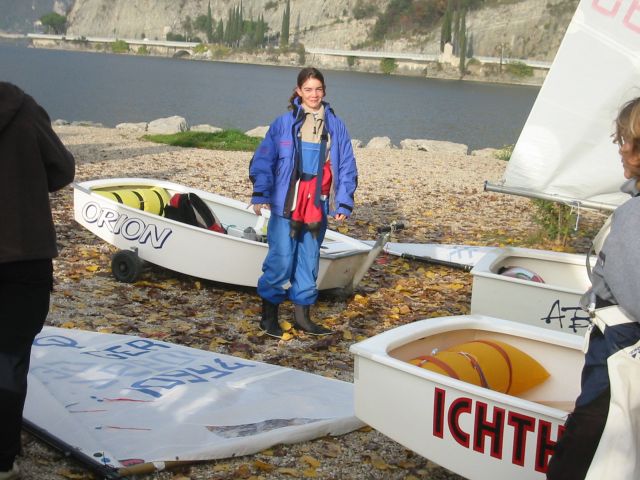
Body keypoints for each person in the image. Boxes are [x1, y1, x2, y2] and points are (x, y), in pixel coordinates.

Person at [546, 97, 640, 479]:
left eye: (625, 141)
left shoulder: (634, 216)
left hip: (619, 357)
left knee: (577, 460)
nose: (620, 149)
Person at [0, 82, 75, 480]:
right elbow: (62, 170)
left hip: (24, 255)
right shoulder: (23, 108)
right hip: (25, 253)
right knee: (9, 358)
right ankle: (2, 458)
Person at [249, 67, 358, 338]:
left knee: (309, 260)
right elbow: (264, 160)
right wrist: (261, 194)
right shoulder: (283, 124)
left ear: (324, 91)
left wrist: (343, 202)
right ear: (299, 91)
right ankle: (268, 318)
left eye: (318, 89)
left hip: (317, 205)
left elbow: (346, 165)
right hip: (286, 203)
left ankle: (302, 318)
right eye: (308, 89)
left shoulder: (336, 126)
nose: (314, 94)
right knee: (281, 259)